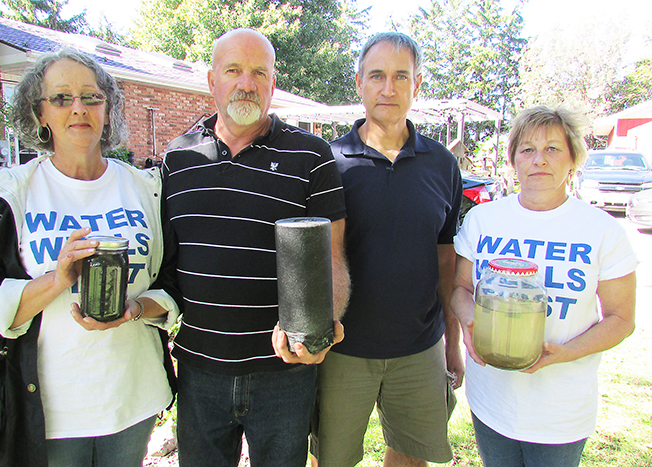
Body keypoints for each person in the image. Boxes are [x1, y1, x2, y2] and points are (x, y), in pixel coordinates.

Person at [0, 48, 180, 467]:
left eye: (91, 97)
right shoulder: (8, 194)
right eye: (61, 98)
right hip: (46, 414)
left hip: (131, 400)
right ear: (40, 115)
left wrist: (133, 308)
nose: (79, 108)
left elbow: (171, 281)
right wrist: (55, 280)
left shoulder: (145, 188)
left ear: (108, 110)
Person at [161, 28, 349, 467]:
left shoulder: (312, 157)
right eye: (233, 70)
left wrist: (323, 326)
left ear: (272, 82)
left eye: (258, 72)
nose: (246, 83)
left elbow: (333, 260)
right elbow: (165, 264)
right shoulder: (177, 159)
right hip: (199, 369)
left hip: (284, 371)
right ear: (212, 81)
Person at [450, 106, 637, 467]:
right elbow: (460, 288)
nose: (539, 160)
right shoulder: (483, 219)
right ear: (514, 160)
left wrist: (563, 353)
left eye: (552, 149)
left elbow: (620, 318)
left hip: (561, 410)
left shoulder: (601, 230)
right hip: (492, 400)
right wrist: (471, 320)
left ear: (573, 159)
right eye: (527, 149)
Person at [311, 32, 464, 467]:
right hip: (342, 350)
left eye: (401, 76)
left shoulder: (442, 165)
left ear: (417, 85)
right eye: (376, 75)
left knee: (412, 460)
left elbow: (446, 261)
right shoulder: (329, 162)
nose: (388, 88)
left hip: (419, 348)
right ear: (359, 82)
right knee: (333, 459)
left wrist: (452, 343)